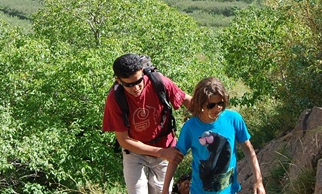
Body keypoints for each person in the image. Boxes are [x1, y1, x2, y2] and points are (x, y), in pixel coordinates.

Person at [103, 53, 193, 194]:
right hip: (135, 152)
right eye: (129, 84)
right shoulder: (115, 98)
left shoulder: (158, 82)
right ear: (118, 81)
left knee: (163, 191)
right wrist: (161, 153)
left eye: (139, 81)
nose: (136, 87)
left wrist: (212, 114)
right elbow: (124, 140)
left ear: (143, 72)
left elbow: (187, 100)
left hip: (164, 145)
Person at [161, 77, 266, 194]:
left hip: (230, 190)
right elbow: (176, 158)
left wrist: (258, 180)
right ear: (200, 103)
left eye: (220, 103)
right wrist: (165, 190)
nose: (218, 108)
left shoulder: (233, 119)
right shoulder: (190, 127)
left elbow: (248, 149)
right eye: (211, 105)